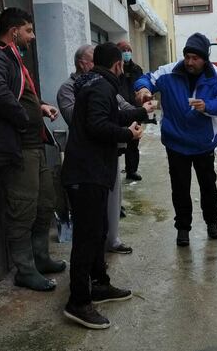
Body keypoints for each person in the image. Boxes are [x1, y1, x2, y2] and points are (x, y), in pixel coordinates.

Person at [0, 7, 65, 292]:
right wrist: (23, 117)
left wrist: (40, 107)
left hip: (34, 146)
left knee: (45, 203)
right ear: (14, 31)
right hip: (18, 149)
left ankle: (40, 258)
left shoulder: (11, 58)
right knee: (22, 210)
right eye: (28, 31)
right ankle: (25, 270)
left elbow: (19, 92)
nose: (33, 37)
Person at [61, 42, 146, 329]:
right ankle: (78, 301)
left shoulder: (97, 84)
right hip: (85, 174)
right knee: (86, 237)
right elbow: (98, 125)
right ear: (118, 65)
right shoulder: (100, 87)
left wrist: (138, 114)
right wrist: (128, 134)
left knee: (98, 232)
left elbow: (110, 115)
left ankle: (99, 283)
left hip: (94, 172)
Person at [134, 33, 217, 246]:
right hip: (176, 142)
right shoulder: (169, 71)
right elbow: (147, 79)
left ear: (204, 59)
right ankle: (182, 228)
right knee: (179, 187)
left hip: (203, 142)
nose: (190, 62)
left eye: (195, 58)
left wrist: (207, 107)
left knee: (208, 185)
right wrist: (143, 89)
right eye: (187, 57)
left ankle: (212, 222)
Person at [117, 41, 144, 181]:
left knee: (134, 143)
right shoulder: (115, 69)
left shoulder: (136, 69)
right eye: (123, 50)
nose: (127, 52)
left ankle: (131, 170)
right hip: (120, 110)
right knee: (118, 142)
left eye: (129, 49)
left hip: (135, 110)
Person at [57, 44, 94, 125]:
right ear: (81, 64)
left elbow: (123, 104)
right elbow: (72, 118)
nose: (98, 66)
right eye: (93, 62)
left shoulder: (100, 81)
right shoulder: (67, 88)